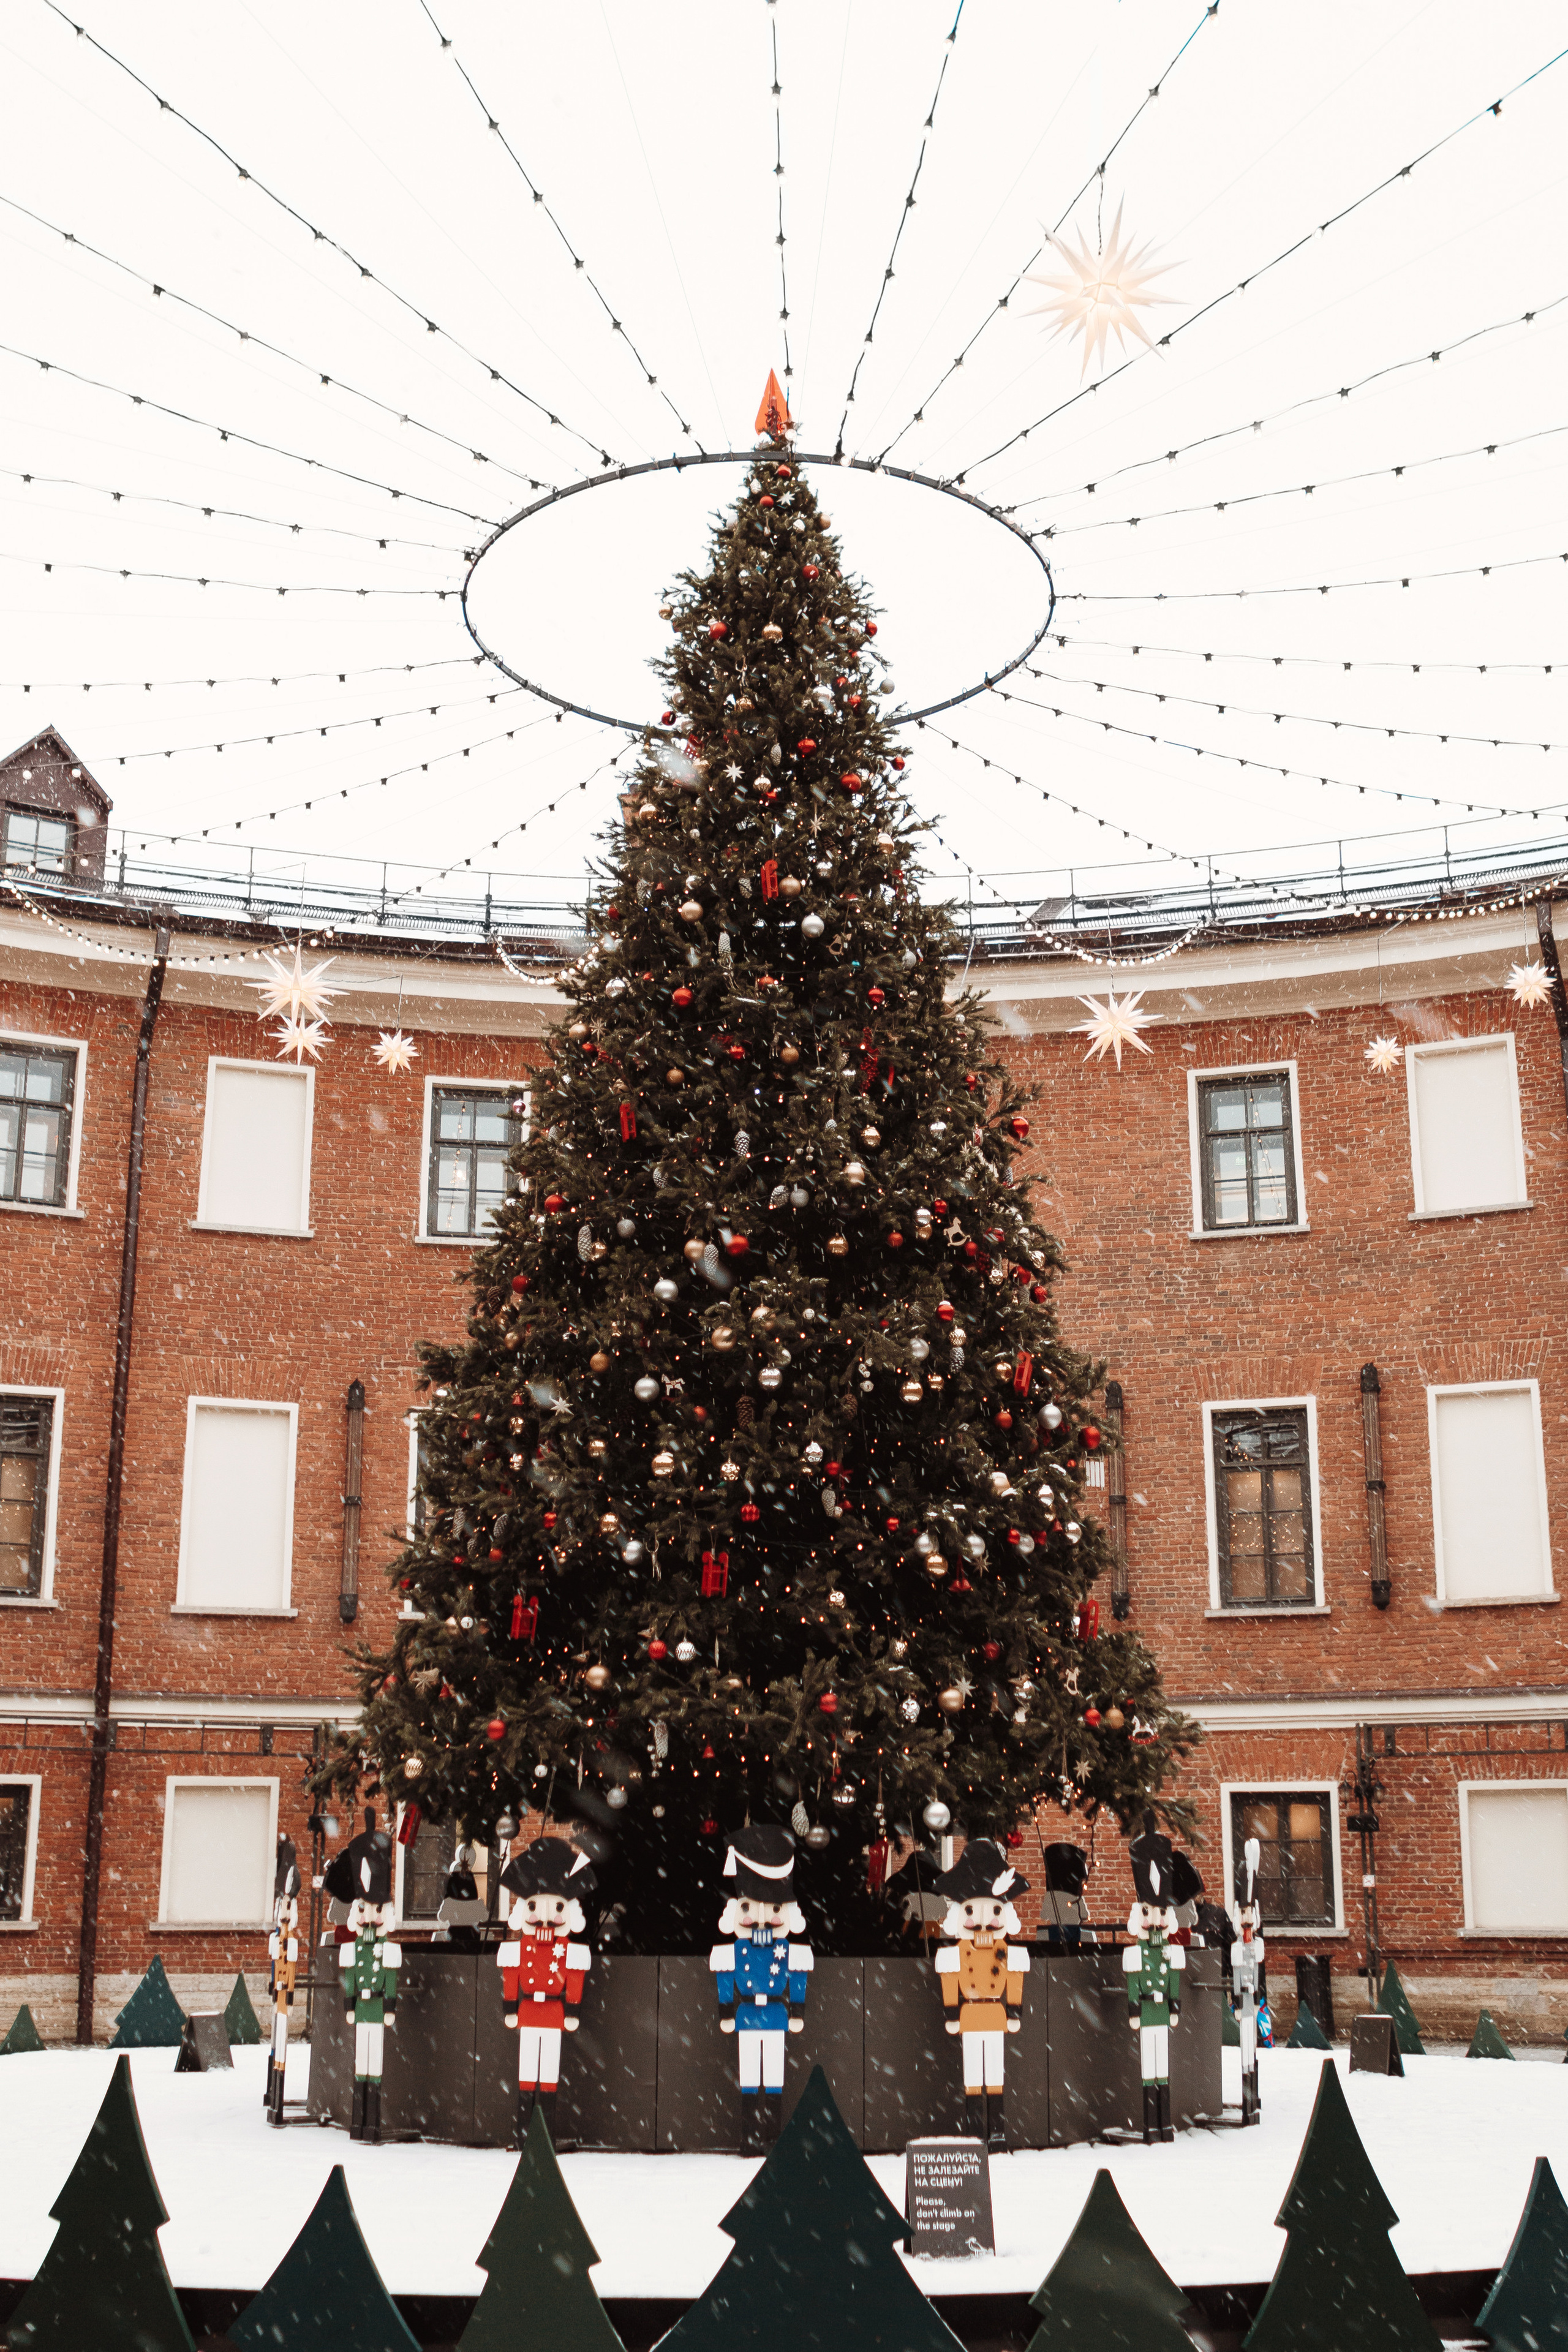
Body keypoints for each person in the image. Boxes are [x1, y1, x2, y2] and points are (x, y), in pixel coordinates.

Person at [709, 1826, 814, 2154]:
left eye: (774, 1909)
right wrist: (726, 2009)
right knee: (750, 2079)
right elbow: (725, 1977)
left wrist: (797, 2009)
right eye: (749, 1908)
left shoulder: (787, 1950)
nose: (761, 1920)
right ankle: (749, 2137)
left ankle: (772, 2136)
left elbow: (798, 1976)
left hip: (775, 2014)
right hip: (747, 2015)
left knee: (775, 2078)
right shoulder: (736, 1950)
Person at [496, 1836, 595, 2147]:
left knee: (549, 2074)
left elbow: (575, 1979)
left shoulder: (569, 1949)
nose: (545, 1917)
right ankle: (524, 2132)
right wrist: (510, 2007)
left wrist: (573, 2010)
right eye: (535, 1906)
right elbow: (512, 1976)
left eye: (557, 1908)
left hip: (554, 2012)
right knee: (527, 2072)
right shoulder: (520, 1947)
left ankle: (545, 2135)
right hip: (529, 2012)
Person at [934, 1839, 1031, 2152]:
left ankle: (998, 2132)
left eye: (994, 1911)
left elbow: (1014, 1979)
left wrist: (1014, 2010)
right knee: (974, 2073)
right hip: (970, 2015)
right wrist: (952, 2011)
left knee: (995, 2072)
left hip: (995, 2014)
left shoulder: (1007, 1950)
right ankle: (977, 2132)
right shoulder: (957, 1953)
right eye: (973, 1911)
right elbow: (951, 1981)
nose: (983, 1921)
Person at [323, 1810, 401, 2144]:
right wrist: (350, 2001)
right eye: (365, 1908)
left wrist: (390, 2004)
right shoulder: (353, 1948)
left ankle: (373, 2122)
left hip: (378, 2008)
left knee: (376, 2065)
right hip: (363, 2007)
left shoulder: (388, 1948)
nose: (370, 1916)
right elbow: (352, 1976)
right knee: (361, 2065)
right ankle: (359, 2120)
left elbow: (390, 1979)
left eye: (377, 1909)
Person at [1123, 1811, 1185, 2145]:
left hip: (1163, 2012)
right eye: (1149, 1911)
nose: (1156, 1920)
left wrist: (1176, 2004)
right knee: (1150, 2066)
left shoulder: (1170, 1952)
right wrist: (1133, 2008)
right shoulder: (1136, 1953)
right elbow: (1135, 1982)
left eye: (1161, 1912)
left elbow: (1173, 1980)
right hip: (1147, 2012)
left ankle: (1165, 2124)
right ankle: (1151, 2124)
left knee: (1165, 2067)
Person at [263, 1835, 301, 2128]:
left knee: (281, 2040)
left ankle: (277, 2097)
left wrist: (287, 1992)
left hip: (283, 1996)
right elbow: (276, 1964)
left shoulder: (291, 1941)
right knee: (274, 2040)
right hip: (277, 1992)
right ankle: (272, 2090)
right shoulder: (276, 1938)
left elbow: (290, 1967)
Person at [1233, 1835, 1265, 2124]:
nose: (1246, 1919)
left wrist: (1259, 2000)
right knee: (1244, 2047)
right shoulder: (1236, 1948)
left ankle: (1253, 2095)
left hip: (1252, 2002)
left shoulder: (1257, 1945)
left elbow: (1259, 1974)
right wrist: (1235, 2000)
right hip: (1242, 2003)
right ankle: (1246, 2098)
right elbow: (1235, 1976)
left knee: (1253, 2047)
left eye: (1249, 1913)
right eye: (1242, 1913)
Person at [1039, 1842, 1093, 1950]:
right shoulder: (1076, 1899)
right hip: (1074, 1936)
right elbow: (1084, 1916)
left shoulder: (1050, 1896)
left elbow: (1044, 1915)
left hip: (1054, 1937)